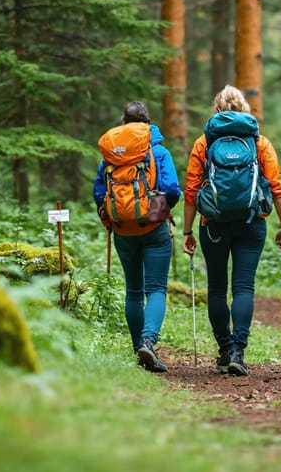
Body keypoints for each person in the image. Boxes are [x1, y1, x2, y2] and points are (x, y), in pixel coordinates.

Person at [182, 85, 281, 377]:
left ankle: (224, 348)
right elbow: (277, 187)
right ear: (245, 108)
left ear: (216, 110)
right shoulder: (259, 142)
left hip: (212, 225)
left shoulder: (204, 143)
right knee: (243, 287)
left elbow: (191, 191)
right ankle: (238, 352)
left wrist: (187, 231)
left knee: (217, 288)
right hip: (251, 221)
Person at [93, 101, 182, 373]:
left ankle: (138, 351)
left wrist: (114, 217)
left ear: (123, 122)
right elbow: (172, 189)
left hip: (122, 230)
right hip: (154, 228)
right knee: (155, 288)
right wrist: (159, 210)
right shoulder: (158, 151)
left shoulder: (111, 154)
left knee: (133, 290)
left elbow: (99, 192)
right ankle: (148, 341)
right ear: (147, 123)